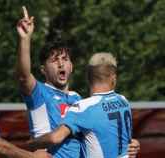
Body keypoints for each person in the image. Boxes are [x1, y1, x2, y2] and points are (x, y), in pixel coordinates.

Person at [16, 6, 140, 158]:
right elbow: (23, 76)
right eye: (55, 60)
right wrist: (25, 39)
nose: (61, 64)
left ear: (72, 66)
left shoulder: (77, 99)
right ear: (43, 69)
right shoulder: (39, 93)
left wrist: (129, 144)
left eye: (65, 59)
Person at [27, 53, 135, 158]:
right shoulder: (123, 101)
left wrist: (29, 145)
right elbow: (121, 139)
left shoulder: (83, 108)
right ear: (114, 78)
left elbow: (55, 138)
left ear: (88, 78)